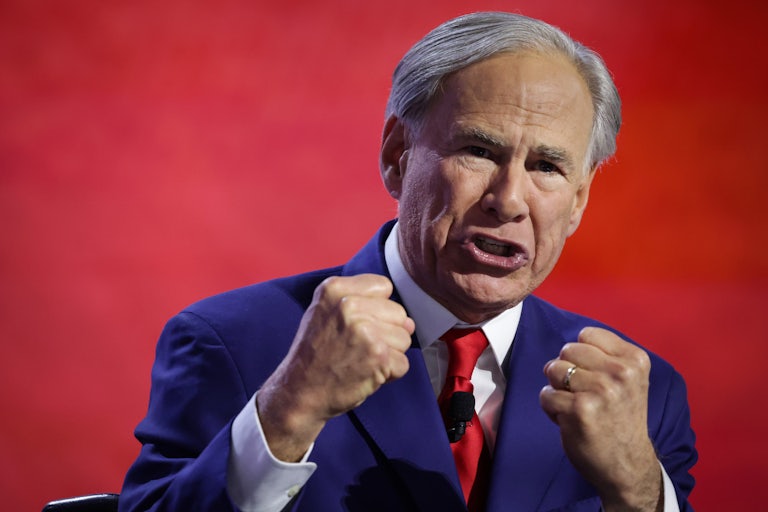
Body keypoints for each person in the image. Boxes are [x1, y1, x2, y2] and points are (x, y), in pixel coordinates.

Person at [119, 11, 697, 512]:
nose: (510, 199)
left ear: (579, 200)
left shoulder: (643, 393)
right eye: (478, 150)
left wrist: (640, 491)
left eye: (547, 166)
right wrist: (286, 414)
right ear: (398, 157)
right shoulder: (232, 343)